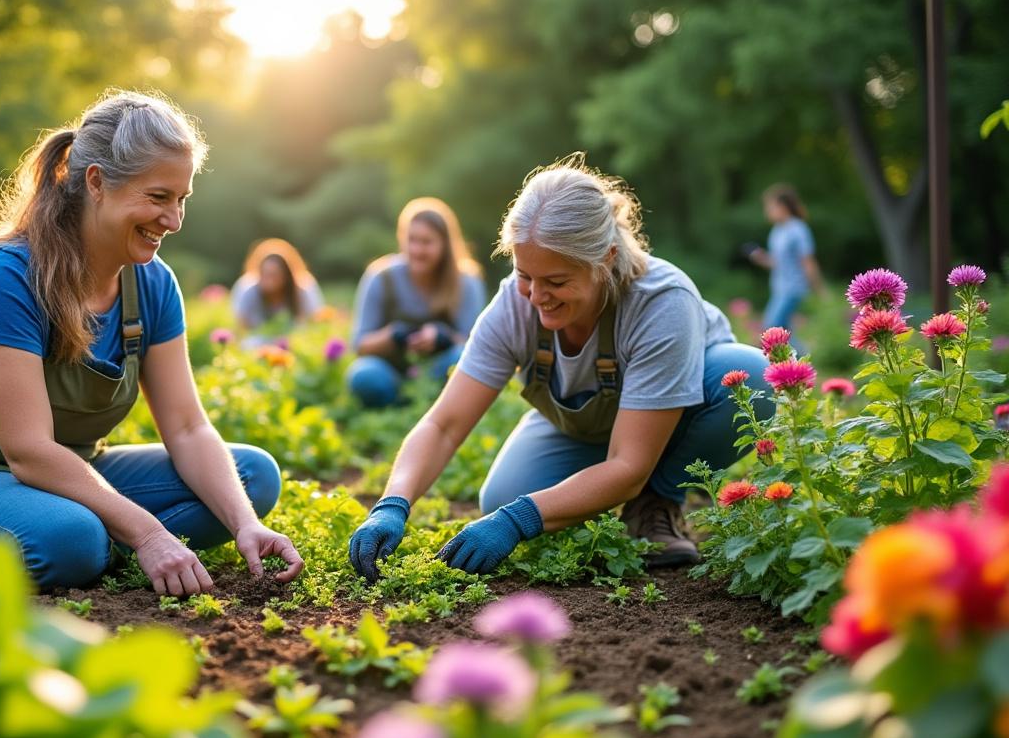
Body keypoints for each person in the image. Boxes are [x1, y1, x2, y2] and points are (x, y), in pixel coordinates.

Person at [0, 91, 303, 593]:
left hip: (69, 475)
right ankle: (73, 541)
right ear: (96, 182)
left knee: (251, 477)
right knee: (72, 538)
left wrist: (244, 523)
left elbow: (187, 427)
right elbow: (29, 451)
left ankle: (89, 540)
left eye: (182, 199)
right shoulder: (7, 276)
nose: (174, 221)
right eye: (158, 197)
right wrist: (146, 532)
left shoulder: (153, 283)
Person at [347, 158, 775, 580]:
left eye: (556, 281)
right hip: (585, 424)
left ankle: (656, 501)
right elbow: (444, 423)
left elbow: (628, 464)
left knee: (749, 377)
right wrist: (392, 503)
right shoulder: (514, 305)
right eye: (524, 275)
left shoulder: (660, 301)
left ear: (605, 259)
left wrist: (518, 522)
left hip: (677, 416)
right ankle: (597, 491)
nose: (536, 296)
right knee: (502, 497)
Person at [347, 198, 487, 407]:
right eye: (411, 240)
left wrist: (443, 337)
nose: (417, 250)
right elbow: (360, 345)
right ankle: (408, 405)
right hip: (391, 373)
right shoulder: (380, 276)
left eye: (426, 242)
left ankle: (429, 405)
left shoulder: (467, 281)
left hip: (439, 371)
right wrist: (395, 335)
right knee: (363, 373)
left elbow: (477, 347)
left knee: (461, 358)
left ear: (445, 245)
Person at [749, 184, 823, 334]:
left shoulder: (798, 229)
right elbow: (777, 263)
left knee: (772, 328)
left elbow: (808, 261)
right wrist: (761, 258)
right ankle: (801, 357)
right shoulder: (776, 231)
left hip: (793, 288)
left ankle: (796, 357)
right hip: (779, 288)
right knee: (785, 332)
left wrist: (818, 288)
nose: (767, 211)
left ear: (782, 206)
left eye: (770, 206)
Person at [230, 238, 324, 347]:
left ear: (286, 276)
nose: (269, 281)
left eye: (274, 275)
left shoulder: (303, 290)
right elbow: (240, 329)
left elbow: (314, 322)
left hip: (294, 343)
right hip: (259, 346)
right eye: (265, 275)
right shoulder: (248, 291)